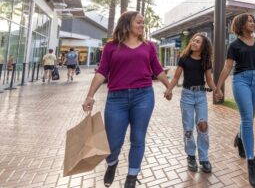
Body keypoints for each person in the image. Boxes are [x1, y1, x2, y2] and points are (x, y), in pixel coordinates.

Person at [81, 11, 172, 188]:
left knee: (138, 138)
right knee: (113, 142)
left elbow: (158, 69)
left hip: (144, 96)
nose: (142, 25)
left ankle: (131, 177)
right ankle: (112, 162)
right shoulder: (111, 47)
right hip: (117, 99)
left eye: (143, 23)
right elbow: (101, 72)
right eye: (138, 22)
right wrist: (90, 95)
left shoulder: (148, 47)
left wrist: (168, 87)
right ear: (127, 23)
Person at [215, 13, 255, 188]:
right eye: (249, 21)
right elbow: (227, 67)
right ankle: (251, 162)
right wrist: (218, 86)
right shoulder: (234, 45)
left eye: (254, 20)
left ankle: (240, 139)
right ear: (241, 24)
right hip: (241, 81)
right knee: (247, 120)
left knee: (248, 118)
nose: (253, 23)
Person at [164, 33, 219, 173]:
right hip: (187, 95)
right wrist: (169, 90)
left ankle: (204, 158)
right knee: (188, 128)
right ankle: (191, 156)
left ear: (203, 46)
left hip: (201, 96)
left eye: (198, 41)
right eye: (193, 40)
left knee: (203, 125)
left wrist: (217, 90)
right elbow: (176, 77)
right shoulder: (184, 58)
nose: (194, 42)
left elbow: (209, 79)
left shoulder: (206, 61)